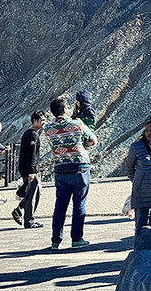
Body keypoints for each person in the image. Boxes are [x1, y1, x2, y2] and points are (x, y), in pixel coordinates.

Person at [44, 96, 97, 250]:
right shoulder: (77, 124)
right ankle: (77, 238)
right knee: (79, 203)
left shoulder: (48, 128)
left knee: (60, 205)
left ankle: (55, 240)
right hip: (80, 167)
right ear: (65, 109)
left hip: (60, 168)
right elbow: (93, 140)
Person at [123, 120, 151, 239]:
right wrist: (138, 180)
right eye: (146, 130)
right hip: (141, 191)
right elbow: (129, 168)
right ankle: (139, 249)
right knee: (140, 224)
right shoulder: (137, 147)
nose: (148, 133)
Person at [13, 111, 46, 229]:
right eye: (41, 120)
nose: (44, 122)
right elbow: (31, 155)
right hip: (30, 170)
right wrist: (32, 171)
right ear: (35, 121)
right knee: (32, 194)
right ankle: (28, 219)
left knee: (33, 193)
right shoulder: (32, 135)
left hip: (28, 169)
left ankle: (21, 211)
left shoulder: (29, 134)